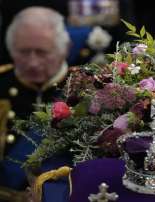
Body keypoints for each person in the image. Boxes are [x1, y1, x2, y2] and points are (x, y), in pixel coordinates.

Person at [0, 6, 70, 200]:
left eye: (42, 52)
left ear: (66, 48)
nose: (32, 62)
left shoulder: (88, 88)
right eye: (23, 52)